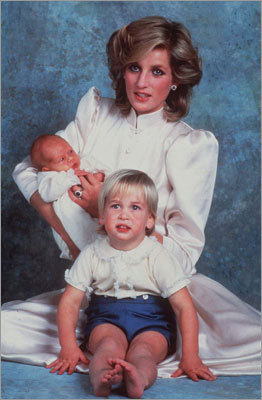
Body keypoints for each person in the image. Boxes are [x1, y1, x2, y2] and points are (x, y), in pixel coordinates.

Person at [2, 16, 260, 378]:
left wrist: (98, 210)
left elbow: (184, 253)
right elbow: (30, 171)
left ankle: (144, 356)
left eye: (157, 71)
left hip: (162, 293)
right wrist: (76, 242)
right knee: (4, 329)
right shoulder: (95, 114)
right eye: (134, 67)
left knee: (250, 343)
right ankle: (105, 355)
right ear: (121, 70)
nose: (142, 82)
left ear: (175, 80)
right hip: (93, 285)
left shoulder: (188, 144)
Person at [46, 169, 216, 398]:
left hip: (152, 322)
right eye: (115, 206)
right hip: (106, 318)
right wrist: (68, 347)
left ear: (149, 220)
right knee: (107, 346)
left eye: (134, 208)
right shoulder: (92, 253)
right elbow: (70, 301)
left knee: (143, 352)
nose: (124, 215)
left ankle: (138, 378)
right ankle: (102, 379)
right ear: (103, 216)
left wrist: (191, 356)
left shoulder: (158, 255)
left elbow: (184, 307)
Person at [30, 134, 109, 259]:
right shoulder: (49, 177)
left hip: (97, 215)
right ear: (47, 169)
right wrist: (72, 177)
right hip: (72, 222)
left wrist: (101, 176)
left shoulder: (84, 161)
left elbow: (106, 170)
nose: (71, 158)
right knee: (87, 246)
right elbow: (47, 194)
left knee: (103, 239)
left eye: (70, 151)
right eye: (62, 159)